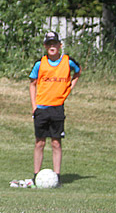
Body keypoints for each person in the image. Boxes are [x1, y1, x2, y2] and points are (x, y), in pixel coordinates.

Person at [11, 31, 81, 188]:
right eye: (49, 44)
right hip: (42, 108)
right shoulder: (40, 64)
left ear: (60, 46)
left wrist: (69, 88)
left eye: (54, 44)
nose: (52, 47)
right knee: (40, 142)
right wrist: (34, 106)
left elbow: (78, 72)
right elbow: (32, 83)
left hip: (57, 108)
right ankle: (36, 176)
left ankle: (57, 177)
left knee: (56, 142)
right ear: (45, 46)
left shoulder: (68, 61)